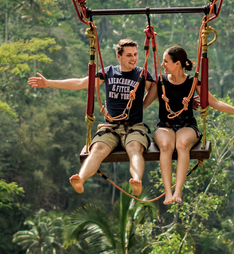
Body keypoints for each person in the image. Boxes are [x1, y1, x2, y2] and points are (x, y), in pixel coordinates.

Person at [28, 38, 155, 195]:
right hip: (111, 127)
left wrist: (142, 104)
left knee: (134, 148)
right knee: (97, 149)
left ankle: (136, 179)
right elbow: (81, 83)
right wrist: (49, 83)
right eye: (129, 55)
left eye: (135, 54)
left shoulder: (142, 74)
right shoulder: (109, 72)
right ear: (119, 56)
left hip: (133, 125)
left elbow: (156, 89)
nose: (134, 58)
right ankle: (80, 179)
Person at [143, 45, 234, 204]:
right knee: (165, 145)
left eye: (166, 61)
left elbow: (216, 103)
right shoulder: (161, 82)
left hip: (187, 126)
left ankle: (178, 191)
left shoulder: (192, 83)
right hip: (165, 126)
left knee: (182, 143)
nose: (162, 64)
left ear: (177, 63)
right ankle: (168, 193)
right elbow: (143, 104)